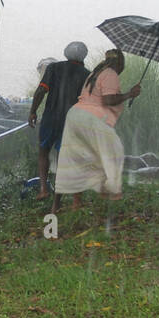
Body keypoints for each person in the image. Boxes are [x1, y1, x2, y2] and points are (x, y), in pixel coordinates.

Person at [52, 48, 141, 213]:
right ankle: (106, 188)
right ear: (119, 63)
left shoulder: (95, 73)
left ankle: (60, 206)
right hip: (90, 118)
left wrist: (128, 95)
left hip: (75, 116)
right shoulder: (111, 73)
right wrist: (129, 94)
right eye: (123, 64)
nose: (123, 68)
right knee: (113, 149)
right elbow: (108, 100)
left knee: (72, 159)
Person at [28, 42, 91, 199]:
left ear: (65, 53)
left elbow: (41, 90)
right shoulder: (87, 75)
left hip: (51, 116)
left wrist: (33, 111)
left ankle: (43, 189)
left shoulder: (54, 68)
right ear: (84, 56)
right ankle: (76, 199)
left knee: (44, 151)